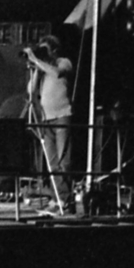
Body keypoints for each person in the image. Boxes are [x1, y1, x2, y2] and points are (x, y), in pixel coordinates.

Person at [24, 34, 75, 214]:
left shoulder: (64, 62)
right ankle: (59, 198)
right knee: (52, 163)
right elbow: (30, 90)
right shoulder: (42, 68)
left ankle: (65, 201)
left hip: (62, 116)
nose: (43, 53)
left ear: (54, 50)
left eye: (45, 50)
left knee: (63, 162)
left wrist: (37, 60)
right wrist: (36, 68)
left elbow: (57, 73)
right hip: (46, 118)